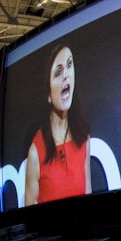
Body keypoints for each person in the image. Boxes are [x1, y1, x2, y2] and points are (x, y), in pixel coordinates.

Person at [24, 43, 92, 206]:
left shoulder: (84, 137)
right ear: (48, 94)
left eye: (69, 65)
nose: (66, 75)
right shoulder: (35, 152)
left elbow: (88, 193)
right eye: (58, 72)